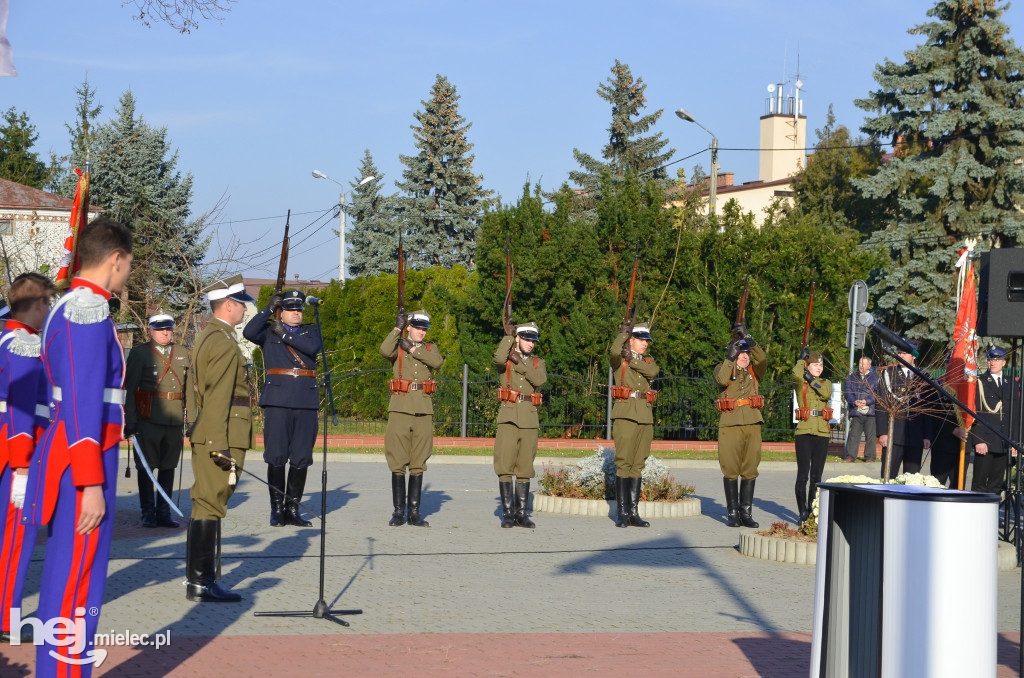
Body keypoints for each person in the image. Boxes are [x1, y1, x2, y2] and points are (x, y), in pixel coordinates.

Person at [23, 217, 132, 674]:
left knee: (66, 577)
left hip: (74, 454)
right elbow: (84, 401)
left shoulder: (70, 305)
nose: (129, 274)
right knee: (76, 581)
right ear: (115, 259)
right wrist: (90, 482)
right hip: (83, 459)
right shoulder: (88, 309)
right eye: (130, 265)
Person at [184, 274, 256, 602]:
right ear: (228, 305)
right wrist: (218, 444)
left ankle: (199, 581)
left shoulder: (207, 337)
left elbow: (195, 390)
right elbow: (217, 397)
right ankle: (202, 581)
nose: (244, 310)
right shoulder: (224, 342)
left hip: (212, 432)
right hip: (223, 433)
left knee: (205, 502)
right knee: (211, 502)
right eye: (241, 304)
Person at [0, 273, 55, 643]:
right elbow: (19, 408)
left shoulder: (18, 340)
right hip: (18, 452)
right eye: (48, 302)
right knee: (16, 538)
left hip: (17, 450)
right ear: (36, 304)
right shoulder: (21, 343)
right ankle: (7, 619)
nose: (50, 309)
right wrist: (22, 464)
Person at [243, 289, 321, 528]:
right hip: (277, 400)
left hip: (305, 401)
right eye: (290, 309)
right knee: (276, 456)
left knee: (301, 458)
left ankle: (293, 509)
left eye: (299, 309)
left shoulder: (311, 330)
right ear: (282, 311)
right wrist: (267, 309)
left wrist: (285, 335)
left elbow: (312, 348)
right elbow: (248, 332)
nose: (296, 313)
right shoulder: (268, 332)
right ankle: (276, 509)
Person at [380, 309, 443, 527]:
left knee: (419, 461)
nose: (421, 332)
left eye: (424, 329)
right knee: (397, 461)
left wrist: (414, 349)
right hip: (400, 407)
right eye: (417, 327)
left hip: (423, 409)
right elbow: (383, 350)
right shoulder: (398, 345)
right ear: (409, 327)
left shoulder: (429, 348)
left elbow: (437, 362)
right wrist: (396, 329)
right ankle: (398, 512)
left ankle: (414, 513)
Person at [124, 313, 186, 528]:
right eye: (160, 329)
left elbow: (190, 391)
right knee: (146, 468)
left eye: (168, 329)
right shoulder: (140, 353)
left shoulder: (182, 352)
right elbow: (130, 388)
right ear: (151, 331)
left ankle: (164, 512)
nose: (165, 333)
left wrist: (193, 419)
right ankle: (148, 513)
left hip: (175, 419)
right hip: (148, 419)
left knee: (169, 467)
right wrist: (130, 419)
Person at [493, 322, 546, 528]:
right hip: (508, 416)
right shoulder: (505, 360)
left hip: (529, 418)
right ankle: (507, 515)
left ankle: (521, 514)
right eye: (526, 339)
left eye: (533, 340)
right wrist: (507, 336)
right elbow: (498, 358)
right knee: (505, 466)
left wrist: (520, 363)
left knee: (525, 466)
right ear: (518, 338)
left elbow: (539, 380)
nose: (530, 344)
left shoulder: (536, 363)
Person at [715, 323, 767, 528]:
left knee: (750, 468)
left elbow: (762, 358)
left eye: (747, 353)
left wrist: (749, 338)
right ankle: (733, 513)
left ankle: (746, 513)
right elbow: (720, 380)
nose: (745, 356)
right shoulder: (723, 368)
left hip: (753, 422)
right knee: (730, 468)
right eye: (741, 353)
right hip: (730, 423)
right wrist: (729, 358)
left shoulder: (755, 372)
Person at [609, 321, 660, 528]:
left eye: (646, 340)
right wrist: (622, 334)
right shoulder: (619, 360)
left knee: (638, 464)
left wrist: (634, 360)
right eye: (640, 339)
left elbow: (653, 372)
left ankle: (633, 513)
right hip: (626, 414)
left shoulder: (647, 361)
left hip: (645, 416)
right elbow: (613, 351)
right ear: (631, 339)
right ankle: (621, 513)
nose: (645, 344)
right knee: (624, 463)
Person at [875, 344, 932, 481]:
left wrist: (927, 435)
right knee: (888, 478)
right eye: (899, 353)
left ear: (914, 356)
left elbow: (929, 408)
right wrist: (883, 432)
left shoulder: (924, 377)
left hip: (915, 436)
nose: (901, 356)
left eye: (905, 353)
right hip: (894, 435)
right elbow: (881, 404)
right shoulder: (889, 374)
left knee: (912, 480)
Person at [793, 349, 832, 524]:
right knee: (803, 476)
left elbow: (825, 393)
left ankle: (812, 509)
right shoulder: (801, 382)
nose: (819, 367)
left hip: (822, 432)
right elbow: (795, 373)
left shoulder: (825, 382)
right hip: (804, 431)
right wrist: (801, 361)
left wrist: (812, 378)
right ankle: (802, 511)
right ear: (808, 366)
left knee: (817, 476)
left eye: (821, 365)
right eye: (815, 365)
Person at [969, 345, 1015, 494]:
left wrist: (1015, 441)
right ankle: (977, 516)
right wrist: (978, 439)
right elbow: (975, 412)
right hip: (985, 442)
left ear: (1004, 362)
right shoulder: (980, 381)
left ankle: (992, 516)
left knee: (996, 486)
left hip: (1004, 441)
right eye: (990, 359)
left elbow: (1015, 413)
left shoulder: (1011, 383)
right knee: (979, 485)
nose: (993, 362)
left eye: (997, 359)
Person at [843, 356, 878, 462]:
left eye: (863, 363)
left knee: (871, 436)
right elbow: (848, 392)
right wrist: (854, 401)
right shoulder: (851, 378)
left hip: (870, 411)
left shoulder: (876, 378)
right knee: (854, 434)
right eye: (859, 363)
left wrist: (866, 401)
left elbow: (877, 394)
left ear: (869, 366)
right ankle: (850, 456)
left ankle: (870, 457)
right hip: (856, 410)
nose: (860, 365)